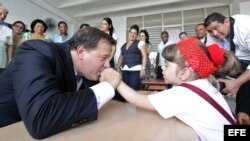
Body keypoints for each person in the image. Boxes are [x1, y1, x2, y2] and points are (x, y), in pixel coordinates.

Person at [100, 38, 241, 141]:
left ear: (184, 73)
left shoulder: (183, 94)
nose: (162, 68)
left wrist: (116, 80)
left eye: (167, 65)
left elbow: (136, 100)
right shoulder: (203, 83)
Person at [0, 27, 120, 139]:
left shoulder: (87, 69)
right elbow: (42, 119)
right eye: (103, 58)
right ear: (81, 52)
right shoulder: (36, 51)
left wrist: (114, 83)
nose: (107, 65)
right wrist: (107, 87)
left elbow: (109, 95)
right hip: (9, 129)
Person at [204, 12, 250, 125]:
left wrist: (237, 83)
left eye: (216, 28)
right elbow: (213, 58)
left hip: (245, 60)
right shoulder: (212, 34)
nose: (214, 33)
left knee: (244, 88)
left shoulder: (246, 27)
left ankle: (243, 113)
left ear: (226, 21)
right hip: (237, 60)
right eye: (210, 31)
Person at [116, 24, 147, 90]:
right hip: (124, 70)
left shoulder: (140, 43)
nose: (132, 35)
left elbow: (144, 56)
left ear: (137, 35)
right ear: (129, 33)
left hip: (135, 71)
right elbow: (120, 57)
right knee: (126, 91)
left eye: (135, 33)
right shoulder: (123, 45)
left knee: (134, 90)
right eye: (131, 32)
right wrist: (118, 68)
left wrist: (143, 68)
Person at [0, 5, 13, 74]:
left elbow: (10, 46)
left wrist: (10, 60)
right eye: (0, 14)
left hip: (1, 62)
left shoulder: (8, 30)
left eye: (5, 16)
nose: (2, 16)